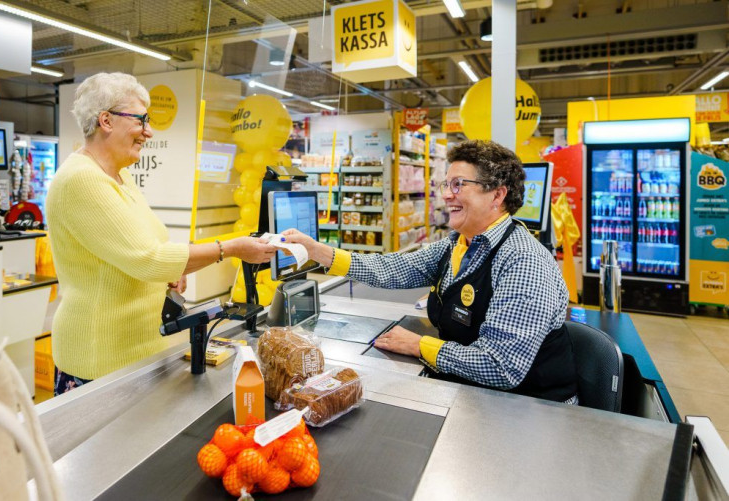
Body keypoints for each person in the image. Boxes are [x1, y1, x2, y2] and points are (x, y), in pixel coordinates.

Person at [283, 140, 577, 404]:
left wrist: (419, 345)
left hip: (531, 410)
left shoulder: (524, 261)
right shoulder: (458, 246)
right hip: (477, 396)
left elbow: (500, 366)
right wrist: (316, 251)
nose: (447, 196)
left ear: (497, 195)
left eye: (458, 185)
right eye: (446, 185)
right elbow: (391, 269)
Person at [46, 72, 276, 395]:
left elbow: (150, 248)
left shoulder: (119, 179)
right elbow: (149, 259)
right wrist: (232, 248)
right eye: (141, 120)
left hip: (136, 352)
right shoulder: (80, 180)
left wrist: (171, 273)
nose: (148, 132)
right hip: (99, 360)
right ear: (106, 121)